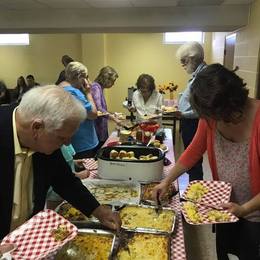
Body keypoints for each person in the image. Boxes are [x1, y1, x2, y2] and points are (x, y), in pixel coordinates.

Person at [153, 64, 260, 260]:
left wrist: (244, 209)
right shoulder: (212, 116)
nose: (216, 122)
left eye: (222, 117)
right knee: (224, 252)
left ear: (235, 102)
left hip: (256, 213)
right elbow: (193, 151)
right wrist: (166, 181)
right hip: (224, 206)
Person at [0, 85, 121, 239]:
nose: (67, 144)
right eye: (62, 138)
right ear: (36, 127)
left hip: (26, 238)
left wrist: (98, 211)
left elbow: (64, 180)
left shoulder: (44, 135)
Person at [173, 41, 207, 181]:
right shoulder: (197, 74)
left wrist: (183, 113)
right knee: (191, 158)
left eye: (183, 60)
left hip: (194, 123)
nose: (182, 64)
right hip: (189, 122)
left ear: (192, 58)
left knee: (193, 160)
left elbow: (203, 108)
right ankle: (193, 187)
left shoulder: (203, 76)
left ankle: (195, 192)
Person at [64, 61, 99, 159]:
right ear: (80, 77)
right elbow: (93, 114)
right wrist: (88, 93)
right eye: (86, 77)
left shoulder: (62, 89)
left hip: (74, 142)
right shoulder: (74, 93)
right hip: (83, 143)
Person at [91, 66, 120, 147]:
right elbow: (99, 109)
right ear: (107, 79)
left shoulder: (99, 88)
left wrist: (113, 113)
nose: (113, 84)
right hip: (97, 130)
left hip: (100, 129)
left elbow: (102, 109)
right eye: (113, 81)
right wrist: (114, 118)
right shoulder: (96, 87)